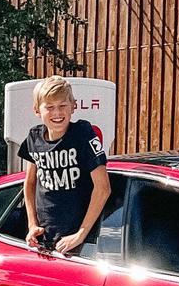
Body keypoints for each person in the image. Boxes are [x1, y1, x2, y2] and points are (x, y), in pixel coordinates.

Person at [20, 76, 111, 255]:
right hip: (44, 241)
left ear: (73, 106)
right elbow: (29, 183)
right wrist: (32, 225)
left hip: (82, 245)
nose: (57, 113)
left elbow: (103, 188)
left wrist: (80, 234)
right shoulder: (34, 138)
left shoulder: (83, 134)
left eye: (62, 106)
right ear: (37, 110)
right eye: (50, 107)